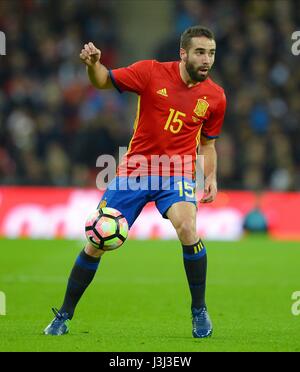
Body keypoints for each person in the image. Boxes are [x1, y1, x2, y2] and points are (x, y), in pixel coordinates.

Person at [44, 25, 226, 338]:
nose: (206, 59)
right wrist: (93, 65)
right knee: (97, 242)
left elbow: (207, 144)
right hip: (136, 170)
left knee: (187, 226)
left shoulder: (215, 97)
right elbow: (103, 80)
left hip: (177, 171)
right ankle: (64, 315)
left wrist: (209, 176)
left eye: (210, 53)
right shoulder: (150, 73)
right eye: (199, 52)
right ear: (183, 53)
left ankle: (199, 310)